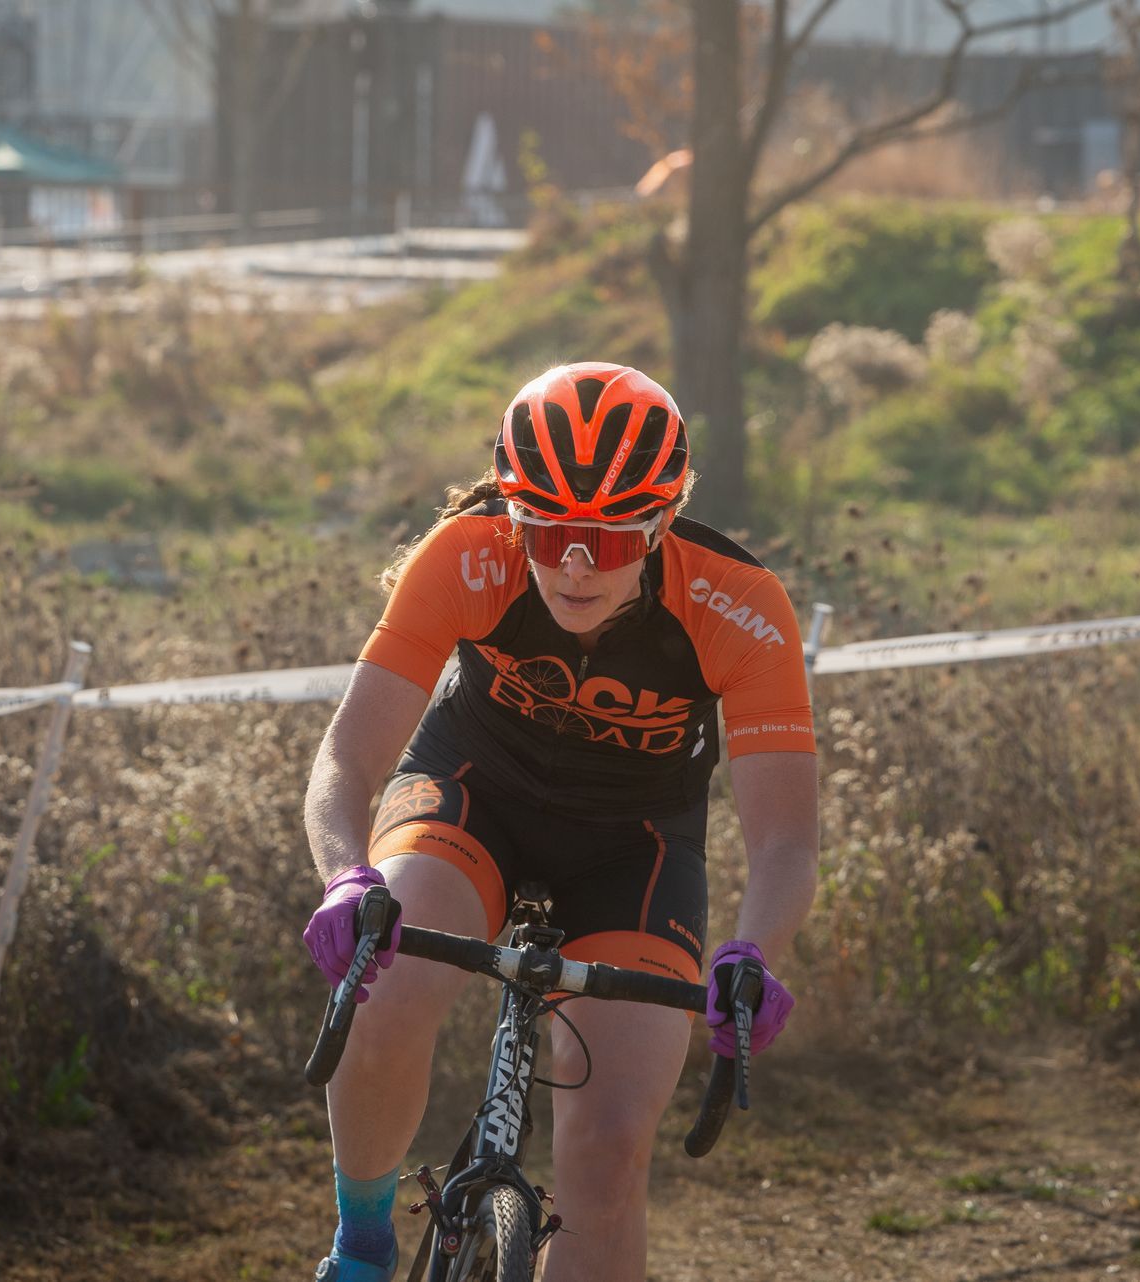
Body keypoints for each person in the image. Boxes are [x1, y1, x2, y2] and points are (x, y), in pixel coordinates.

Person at [300, 362, 820, 1281]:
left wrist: (756, 950)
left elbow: (785, 839)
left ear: (663, 521)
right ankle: (363, 1243)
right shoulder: (467, 553)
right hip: (474, 795)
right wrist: (347, 875)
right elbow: (345, 760)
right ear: (512, 509)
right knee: (386, 986)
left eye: (608, 540)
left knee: (611, 1147)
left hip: (636, 847)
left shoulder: (739, 604)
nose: (574, 563)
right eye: (547, 529)